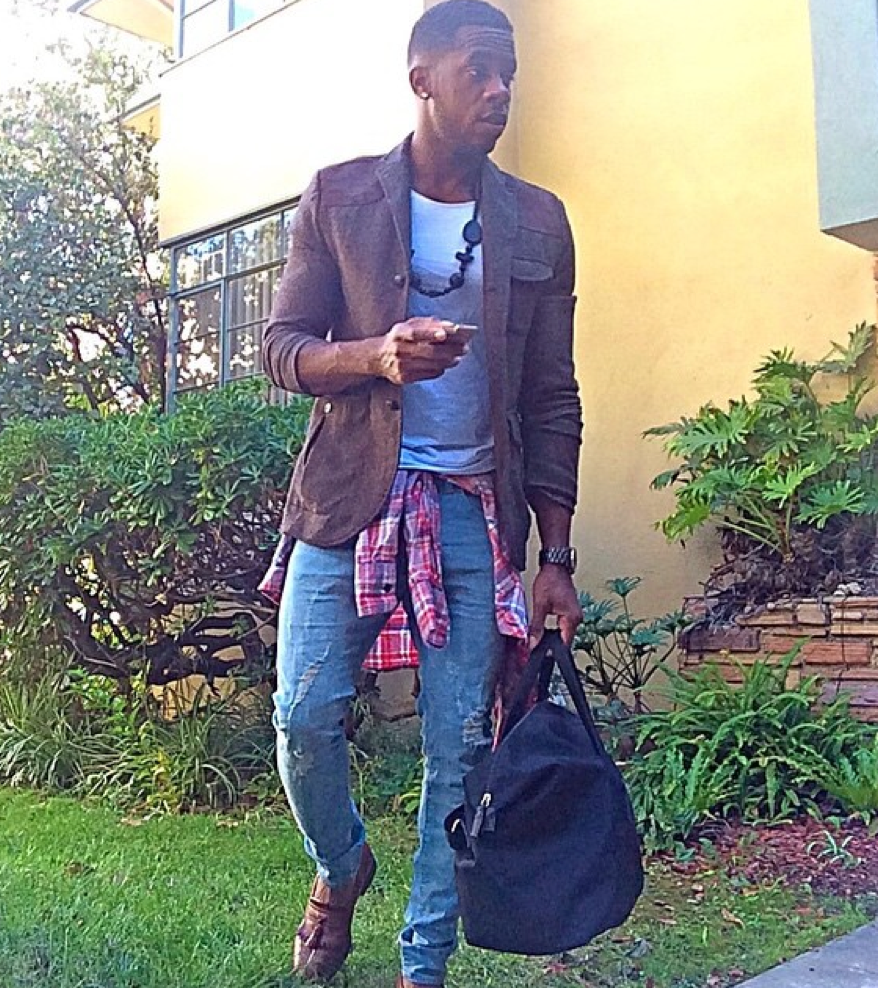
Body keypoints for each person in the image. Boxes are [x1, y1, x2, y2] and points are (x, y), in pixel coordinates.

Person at [260, 2, 583, 985]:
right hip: (348, 497)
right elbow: (281, 350)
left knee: (459, 747)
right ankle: (340, 865)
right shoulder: (339, 196)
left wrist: (557, 556)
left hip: (472, 508)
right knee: (303, 716)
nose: (499, 89)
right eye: (478, 69)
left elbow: (551, 394)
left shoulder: (538, 220)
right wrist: (377, 356)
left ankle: (423, 963)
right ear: (421, 79)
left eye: (508, 72)